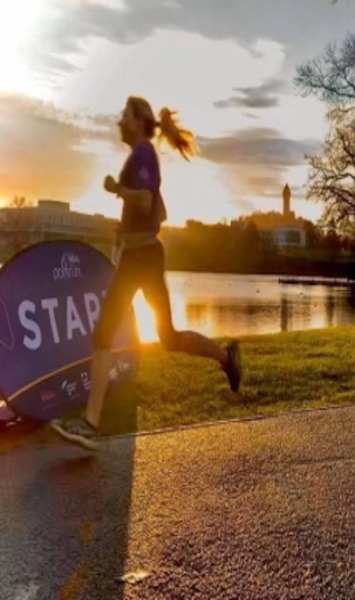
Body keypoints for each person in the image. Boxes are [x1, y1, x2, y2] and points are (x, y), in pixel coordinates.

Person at [51, 96, 242, 450]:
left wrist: (116, 190)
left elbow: (145, 201)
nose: (119, 121)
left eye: (124, 116)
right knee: (136, 334)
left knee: (127, 334)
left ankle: (91, 424)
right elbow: (151, 210)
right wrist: (125, 228)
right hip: (137, 255)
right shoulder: (140, 155)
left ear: (138, 121)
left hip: (145, 259)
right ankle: (225, 358)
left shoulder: (144, 154)